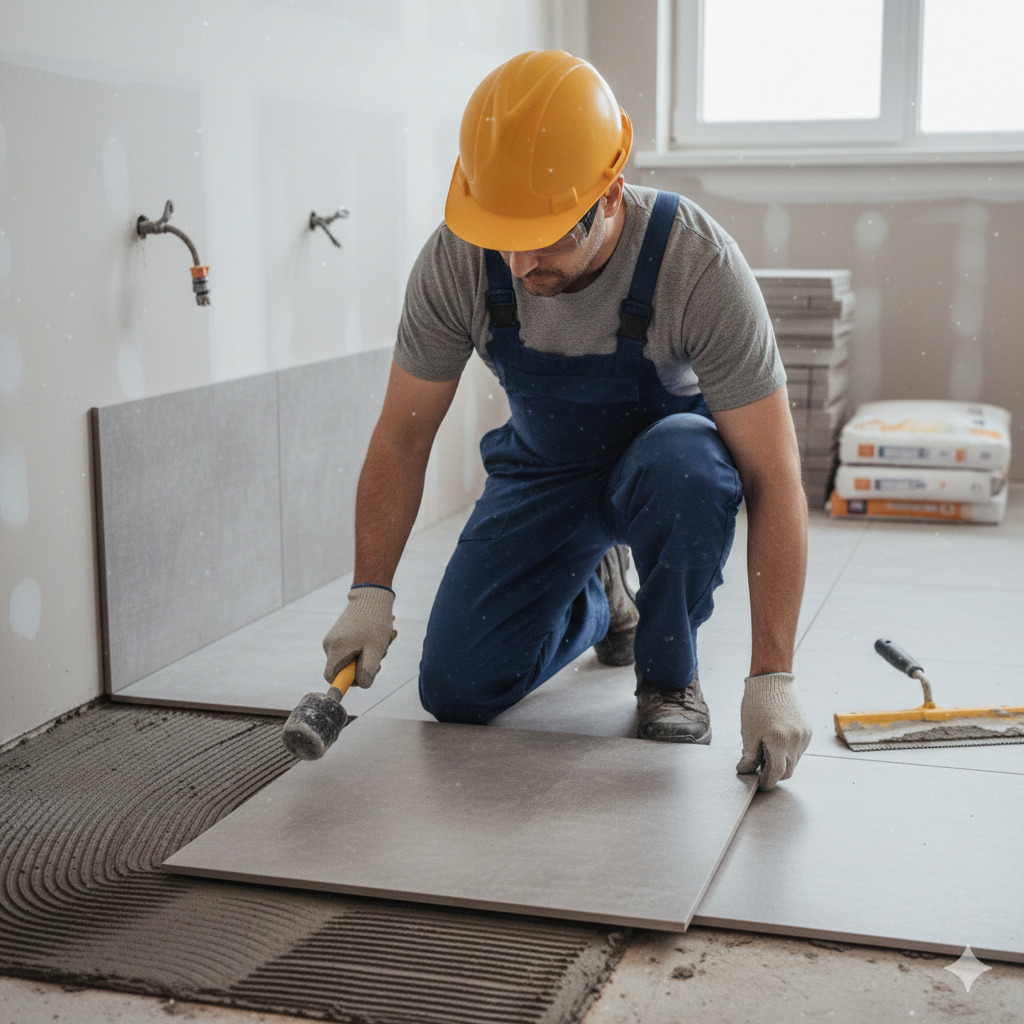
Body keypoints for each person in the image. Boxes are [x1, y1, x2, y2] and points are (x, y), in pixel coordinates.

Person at [323, 50, 812, 790]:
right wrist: (369, 593)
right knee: (457, 689)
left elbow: (774, 476)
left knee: (692, 463)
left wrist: (772, 676)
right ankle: (599, 603)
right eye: (503, 235)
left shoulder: (696, 261)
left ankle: (668, 673)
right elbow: (401, 438)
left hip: (665, 471)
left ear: (610, 195)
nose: (519, 264)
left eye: (549, 235)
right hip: (546, 469)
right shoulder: (458, 260)